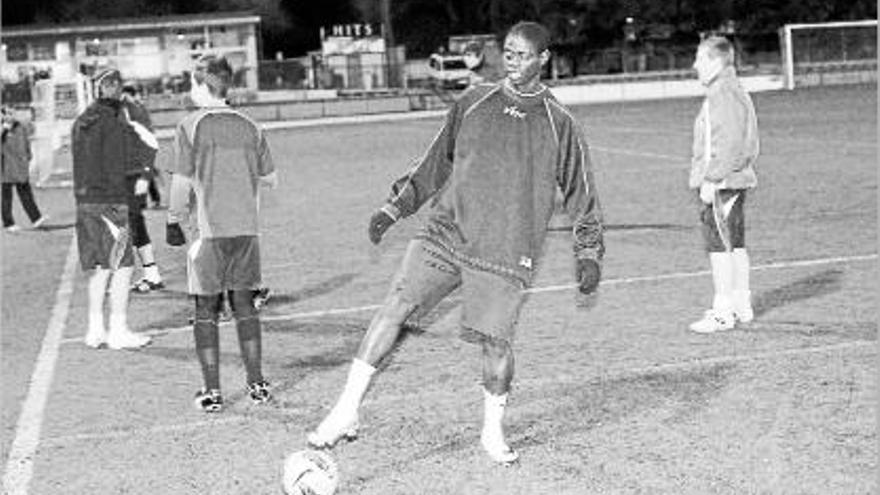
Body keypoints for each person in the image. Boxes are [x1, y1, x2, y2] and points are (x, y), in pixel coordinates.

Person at [307, 21, 604, 464]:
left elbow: (581, 191)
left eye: (523, 54)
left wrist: (587, 252)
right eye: (507, 51)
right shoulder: (473, 100)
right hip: (446, 233)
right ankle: (345, 410)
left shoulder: (560, 123)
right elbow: (434, 161)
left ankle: (491, 431)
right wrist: (395, 207)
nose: (512, 60)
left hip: (505, 250)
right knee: (395, 308)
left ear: (544, 59)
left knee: (496, 344)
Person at [166, 56, 278, 412]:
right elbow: (270, 178)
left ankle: (212, 391)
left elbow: (181, 180)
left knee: (205, 308)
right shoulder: (251, 126)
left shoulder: (190, 125)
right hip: (247, 231)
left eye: (192, 84)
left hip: (209, 233)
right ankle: (257, 384)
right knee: (244, 305)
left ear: (201, 86)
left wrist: (173, 218)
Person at [73, 69, 153, 350]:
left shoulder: (81, 120)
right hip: (110, 201)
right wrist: (143, 175)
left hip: (85, 203)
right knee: (122, 267)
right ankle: (118, 330)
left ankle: (95, 330)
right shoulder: (115, 121)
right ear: (112, 88)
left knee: (100, 268)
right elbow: (122, 161)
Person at [687, 35, 759, 333]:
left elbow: (728, 143)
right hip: (735, 179)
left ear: (716, 61)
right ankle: (741, 304)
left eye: (700, 58)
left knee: (720, 247)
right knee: (736, 245)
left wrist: (712, 178)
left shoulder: (722, 93)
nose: (694, 65)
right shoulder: (731, 89)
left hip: (723, 182)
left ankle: (723, 311)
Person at [121, 83, 165, 292]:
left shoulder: (133, 111)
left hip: (133, 177)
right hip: (119, 178)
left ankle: (144, 274)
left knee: (130, 223)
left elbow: (150, 143)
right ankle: (151, 274)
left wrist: (146, 175)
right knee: (131, 223)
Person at [2, 107, 49, 232]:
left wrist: (28, 156)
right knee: (6, 197)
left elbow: (26, 142)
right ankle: (8, 223)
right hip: (5, 168)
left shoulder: (20, 127)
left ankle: (36, 218)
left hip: (19, 167)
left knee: (26, 193)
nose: (10, 115)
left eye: (12, 113)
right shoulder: (3, 129)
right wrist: (4, 129)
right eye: (7, 113)